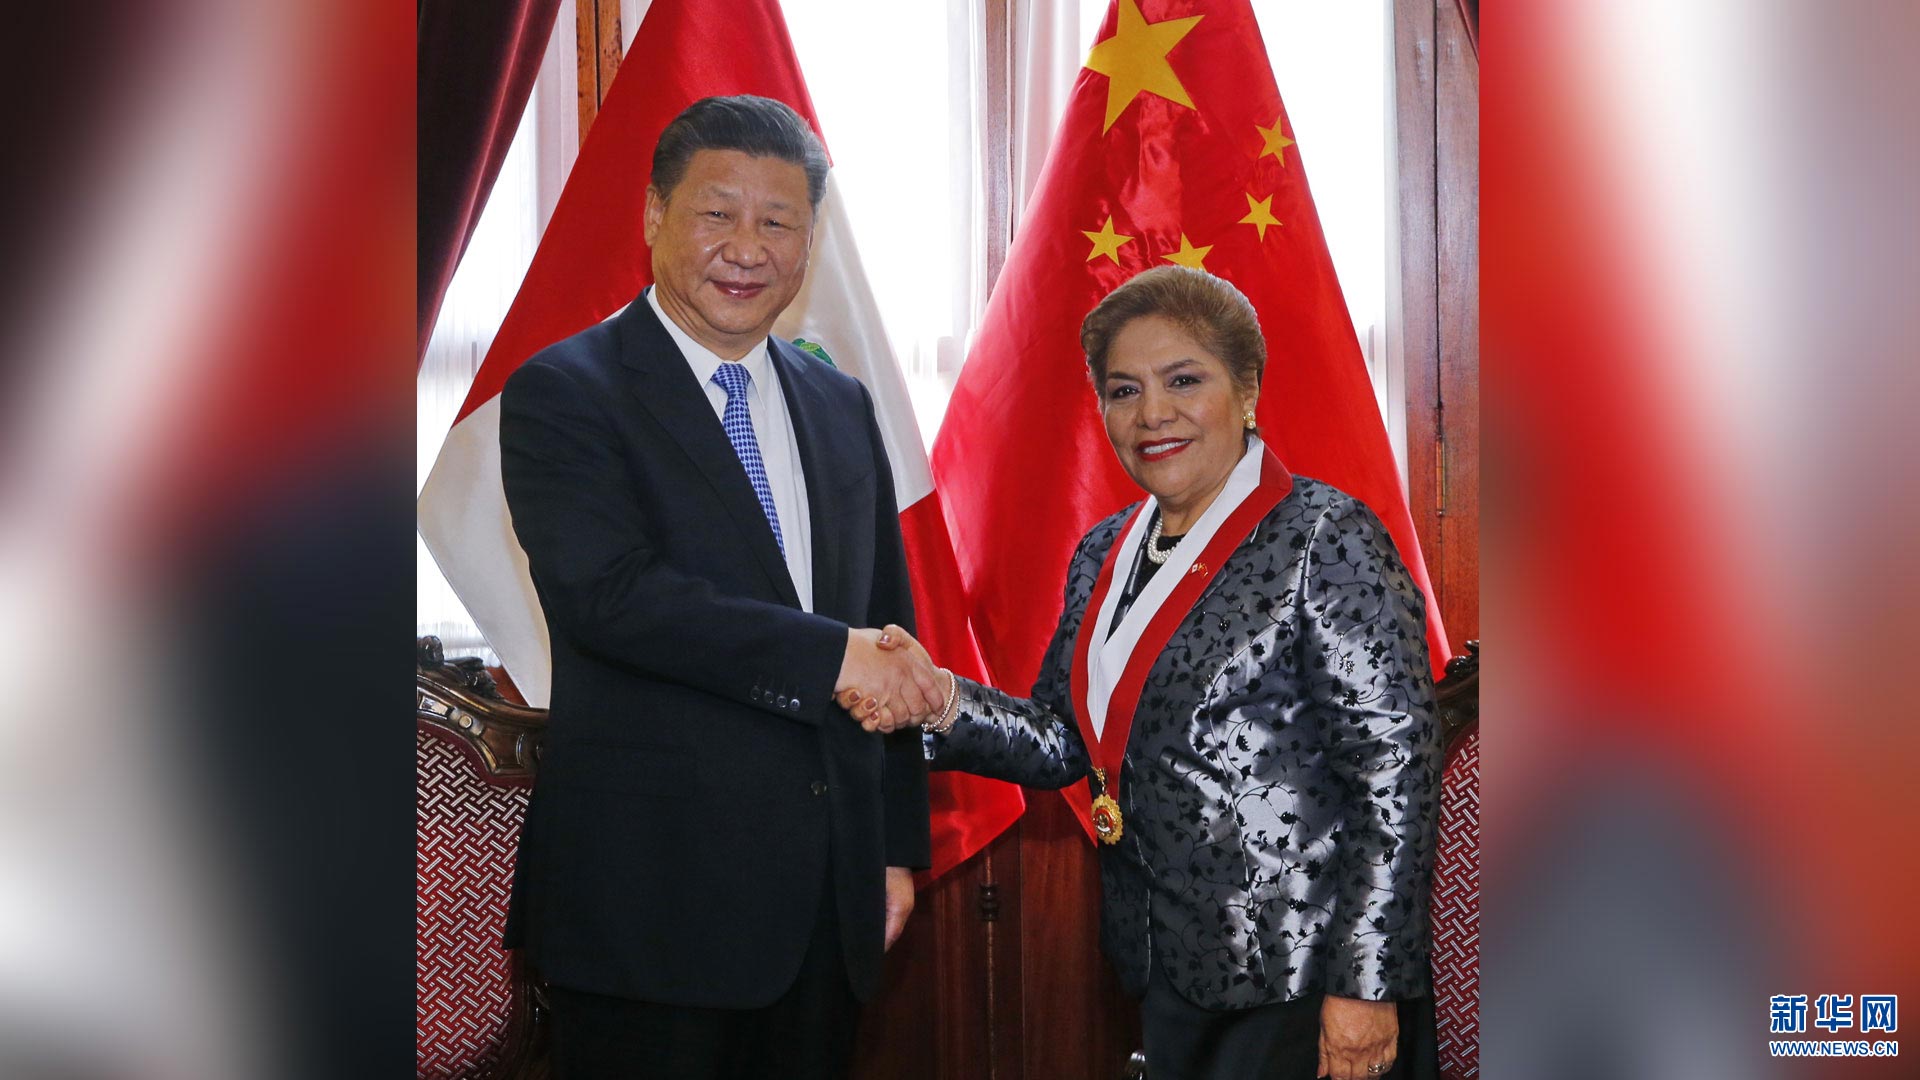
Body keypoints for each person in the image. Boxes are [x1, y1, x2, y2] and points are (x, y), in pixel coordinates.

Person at [843, 266, 1440, 1080]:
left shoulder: (1323, 537)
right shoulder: (1105, 552)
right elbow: (1064, 741)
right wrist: (938, 700)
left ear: (1247, 389)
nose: (1152, 412)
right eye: (1124, 390)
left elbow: (1394, 776)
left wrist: (1366, 987)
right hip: (1162, 966)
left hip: (1303, 984)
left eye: (1183, 380)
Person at [497, 94, 944, 1080]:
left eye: (778, 221)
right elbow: (609, 597)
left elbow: (886, 630)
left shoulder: (839, 403)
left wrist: (892, 844)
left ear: (810, 240)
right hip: (649, 905)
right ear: (655, 216)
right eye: (717, 213)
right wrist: (831, 657)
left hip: (825, 902)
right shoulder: (565, 392)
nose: (747, 248)